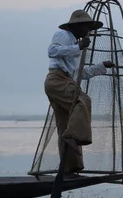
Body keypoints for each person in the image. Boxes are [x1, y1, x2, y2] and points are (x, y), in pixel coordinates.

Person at [44, 9, 115, 176]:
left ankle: (70, 168)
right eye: (86, 27)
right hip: (57, 80)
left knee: (65, 124)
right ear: (76, 26)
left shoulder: (76, 45)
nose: (88, 31)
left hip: (65, 80)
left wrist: (101, 66)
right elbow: (52, 52)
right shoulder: (63, 35)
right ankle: (74, 136)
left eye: (90, 28)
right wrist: (77, 47)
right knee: (83, 101)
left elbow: (80, 73)